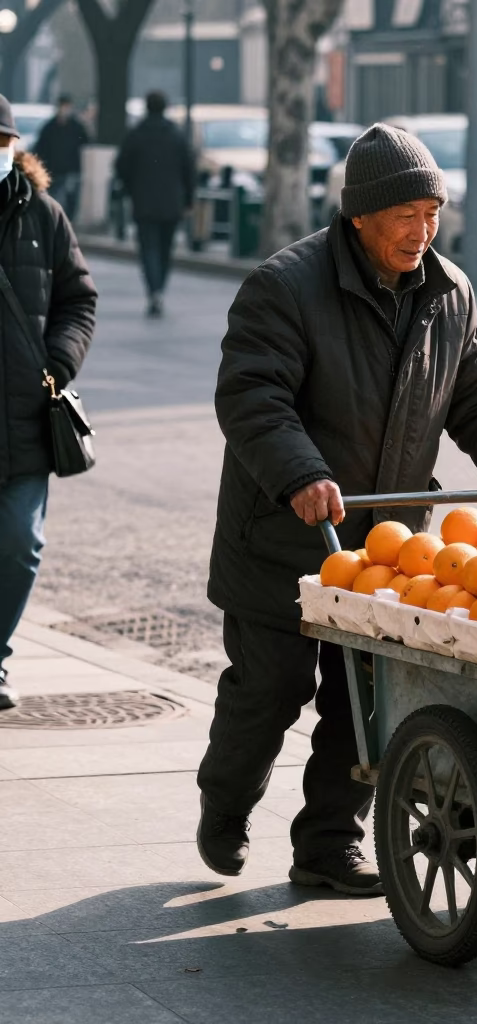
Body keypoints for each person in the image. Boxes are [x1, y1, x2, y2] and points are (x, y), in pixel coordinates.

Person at [198, 123, 477, 894]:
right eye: (405, 216)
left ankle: (328, 844)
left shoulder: (449, 293)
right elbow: (252, 397)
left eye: (433, 213)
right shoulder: (284, 287)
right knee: (270, 692)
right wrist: (301, 475)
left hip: (385, 552)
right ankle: (224, 805)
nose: (422, 231)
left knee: (363, 704)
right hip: (282, 539)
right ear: (360, 216)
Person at [0, 95, 97, 711]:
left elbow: (78, 300)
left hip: (26, 419)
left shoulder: (45, 216)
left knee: (18, 543)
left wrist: (58, 363)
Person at [115, 91, 194, 318]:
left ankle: (154, 290)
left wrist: (131, 189)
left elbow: (122, 166)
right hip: (172, 203)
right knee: (166, 249)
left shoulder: (136, 135)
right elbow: (189, 169)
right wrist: (188, 199)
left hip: (143, 202)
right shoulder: (176, 135)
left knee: (148, 248)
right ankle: (160, 287)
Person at [32, 95, 90, 221]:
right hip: (53, 169)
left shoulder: (76, 127)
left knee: (71, 200)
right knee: (53, 198)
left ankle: (68, 221)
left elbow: (86, 143)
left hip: (72, 169)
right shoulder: (49, 127)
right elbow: (40, 148)